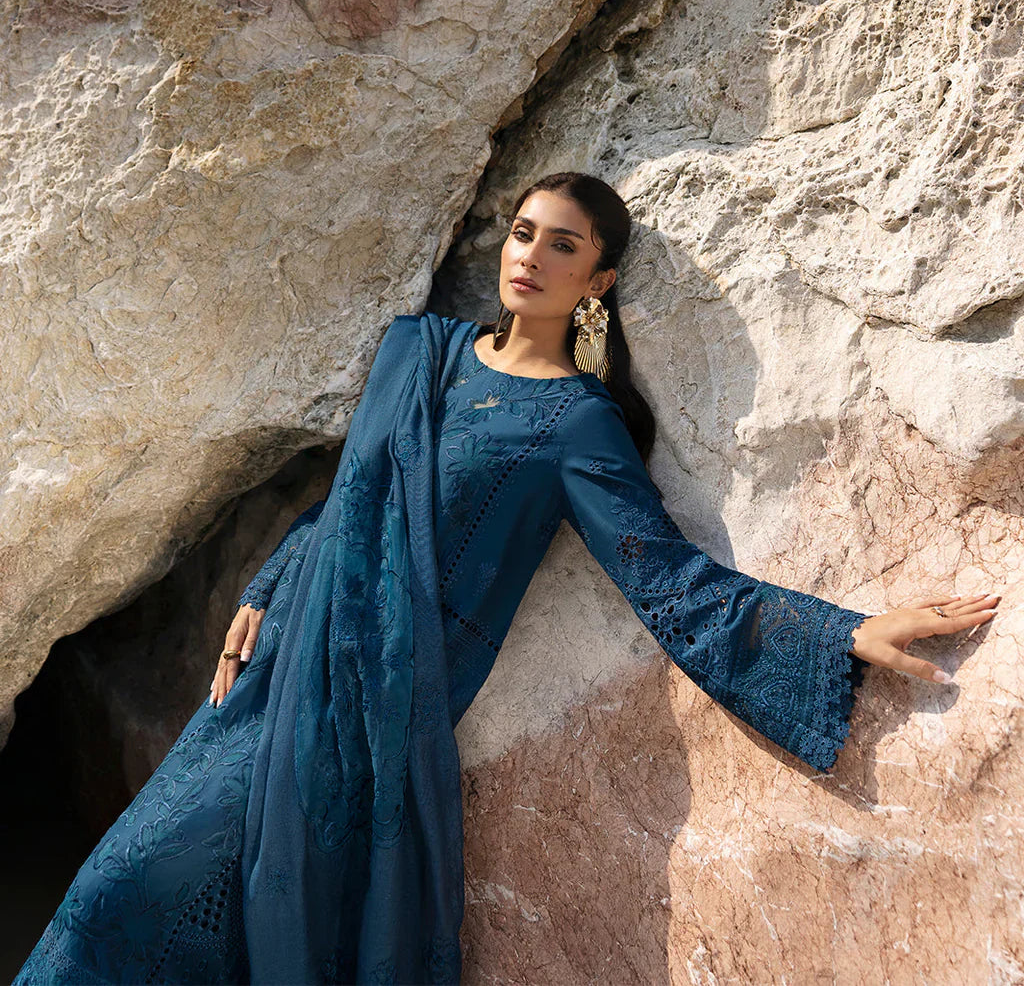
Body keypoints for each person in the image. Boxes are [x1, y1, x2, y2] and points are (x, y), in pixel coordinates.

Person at [14, 171, 1000, 986]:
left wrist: (842, 634)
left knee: (174, 907)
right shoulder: (420, 349)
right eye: (524, 233)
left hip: (370, 721)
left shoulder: (576, 425)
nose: (530, 254)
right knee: (110, 894)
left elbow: (669, 581)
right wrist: (267, 586)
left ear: (597, 281)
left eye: (561, 245)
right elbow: (349, 495)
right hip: (278, 670)